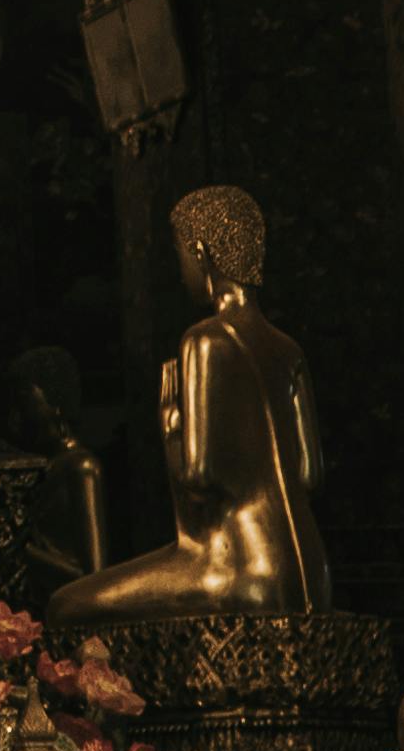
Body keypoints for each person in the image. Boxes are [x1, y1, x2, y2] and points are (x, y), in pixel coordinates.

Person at [50, 183, 326, 621]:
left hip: (237, 567)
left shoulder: (203, 340)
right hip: (310, 568)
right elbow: (310, 474)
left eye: (179, 255)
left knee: (66, 607)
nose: (181, 272)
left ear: (200, 252)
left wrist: (172, 427)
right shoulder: (288, 350)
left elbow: (199, 477)